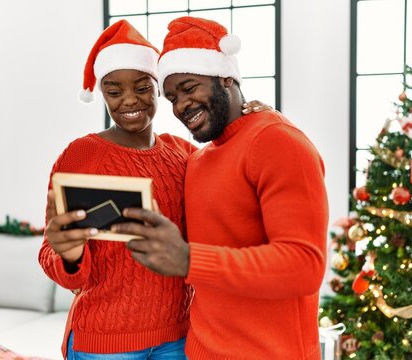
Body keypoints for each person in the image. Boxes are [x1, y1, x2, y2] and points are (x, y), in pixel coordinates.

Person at [38, 19, 269, 360]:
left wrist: (252, 121)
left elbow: (232, 178)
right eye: (114, 92)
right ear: (101, 92)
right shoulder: (81, 155)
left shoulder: (185, 153)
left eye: (143, 87)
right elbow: (52, 254)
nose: (129, 100)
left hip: (177, 338)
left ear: (158, 88)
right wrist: (69, 256)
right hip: (104, 344)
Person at [112, 16, 329, 359]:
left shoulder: (278, 142)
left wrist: (189, 259)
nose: (180, 105)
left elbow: (304, 266)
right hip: (200, 350)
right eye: (171, 97)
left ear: (226, 77)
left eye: (189, 87)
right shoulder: (199, 159)